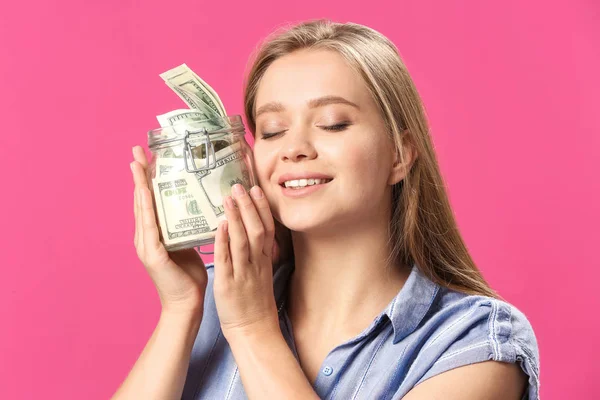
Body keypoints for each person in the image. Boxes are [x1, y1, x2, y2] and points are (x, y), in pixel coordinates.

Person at [117, 20, 540, 400]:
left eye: (334, 123)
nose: (295, 149)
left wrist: (252, 330)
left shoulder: (477, 344)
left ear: (400, 154)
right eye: (272, 130)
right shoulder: (210, 302)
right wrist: (180, 309)